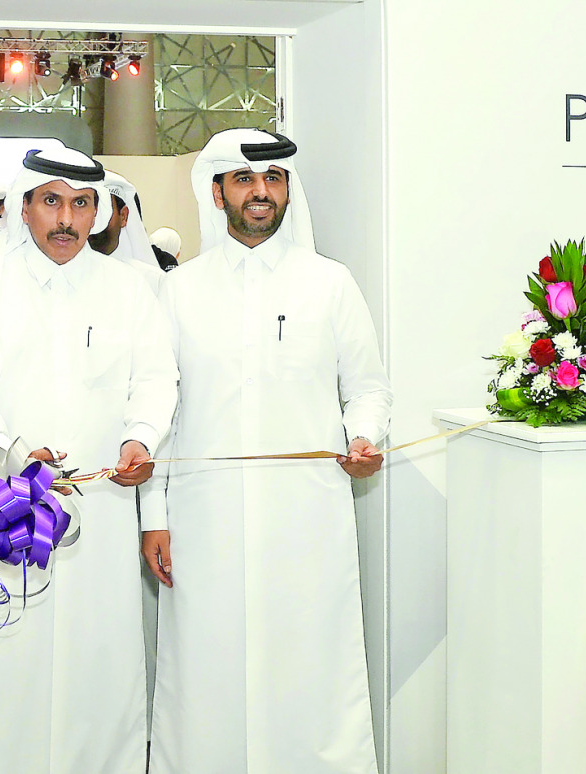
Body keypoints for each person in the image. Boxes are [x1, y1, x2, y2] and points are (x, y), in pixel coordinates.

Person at [0, 147, 178, 774]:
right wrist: (11, 457)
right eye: (52, 202)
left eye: (81, 204)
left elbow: (156, 379)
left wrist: (141, 439)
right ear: (25, 207)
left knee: (94, 668)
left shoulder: (129, 289)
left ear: (99, 212)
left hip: (98, 516)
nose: (66, 219)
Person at [142, 128, 392, 774]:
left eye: (273, 179)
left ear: (287, 190)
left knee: (310, 667)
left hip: (307, 519)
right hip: (205, 521)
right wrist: (154, 517)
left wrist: (363, 435)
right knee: (206, 669)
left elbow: (367, 389)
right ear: (217, 192)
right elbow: (157, 408)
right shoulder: (179, 290)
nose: (260, 191)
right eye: (245, 179)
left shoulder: (330, 284)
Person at [89, 169, 166, 294]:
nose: (96, 221)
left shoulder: (152, 282)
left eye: (104, 211)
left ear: (123, 216)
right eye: (87, 209)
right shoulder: (63, 275)